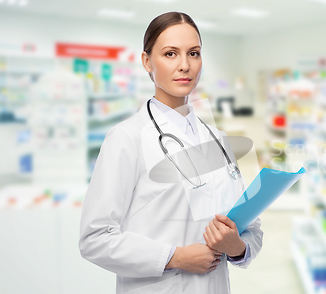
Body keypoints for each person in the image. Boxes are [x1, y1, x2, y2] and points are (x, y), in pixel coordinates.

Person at [79, 11, 263, 294]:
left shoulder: (218, 139)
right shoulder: (126, 138)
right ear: (146, 61)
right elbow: (95, 238)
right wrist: (174, 257)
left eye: (193, 53)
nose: (185, 65)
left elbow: (250, 226)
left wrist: (237, 246)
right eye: (170, 54)